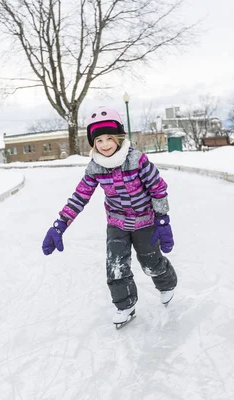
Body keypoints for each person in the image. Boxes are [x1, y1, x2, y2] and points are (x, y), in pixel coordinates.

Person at [41, 106, 178, 326]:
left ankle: (167, 282)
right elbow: (80, 196)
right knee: (115, 266)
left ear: (118, 137)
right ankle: (125, 305)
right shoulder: (95, 167)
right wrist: (60, 224)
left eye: (109, 138)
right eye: (99, 140)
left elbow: (158, 188)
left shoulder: (137, 160)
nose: (104, 145)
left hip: (145, 222)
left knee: (151, 263)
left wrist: (162, 219)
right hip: (117, 223)